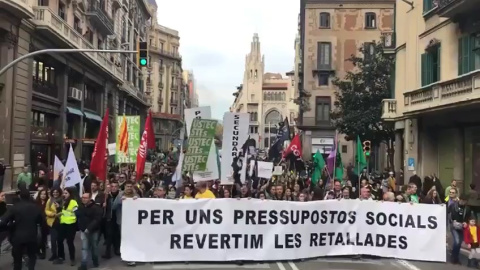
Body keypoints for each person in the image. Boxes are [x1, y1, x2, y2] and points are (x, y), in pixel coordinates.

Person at [0, 189, 45, 270]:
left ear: (19, 196)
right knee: (32, 256)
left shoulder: (14, 207)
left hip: (17, 237)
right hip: (32, 236)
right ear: (29, 196)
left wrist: (10, 225)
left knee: (17, 260)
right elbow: (41, 221)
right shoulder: (36, 207)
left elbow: (3, 221)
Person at [77, 192, 103, 270]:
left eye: (86, 198)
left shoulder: (96, 207)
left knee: (94, 247)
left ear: (90, 199)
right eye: (83, 197)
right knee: (84, 248)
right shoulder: (80, 207)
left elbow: (97, 220)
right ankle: (84, 264)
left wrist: (89, 228)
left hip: (93, 231)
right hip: (83, 231)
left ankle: (95, 261)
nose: (84, 199)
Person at [54, 187, 78, 266]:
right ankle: (61, 257)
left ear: (70, 194)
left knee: (69, 242)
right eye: (64, 193)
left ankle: (72, 259)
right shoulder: (65, 202)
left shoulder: (73, 202)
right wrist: (59, 208)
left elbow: (74, 213)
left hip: (71, 225)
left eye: (66, 193)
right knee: (59, 240)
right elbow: (64, 212)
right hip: (63, 223)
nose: (64, 194)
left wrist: (61, 211)